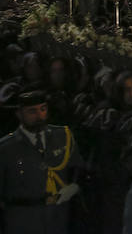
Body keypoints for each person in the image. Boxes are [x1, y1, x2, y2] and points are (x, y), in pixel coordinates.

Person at [0, 90, 83, 234]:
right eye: (32, 111)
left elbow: (78, 168)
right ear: (19, 114)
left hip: (57, 219)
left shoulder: (63, 136)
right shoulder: (6, 148)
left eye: (43, 109)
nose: (39, 116)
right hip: (22, 221)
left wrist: (75, 185)